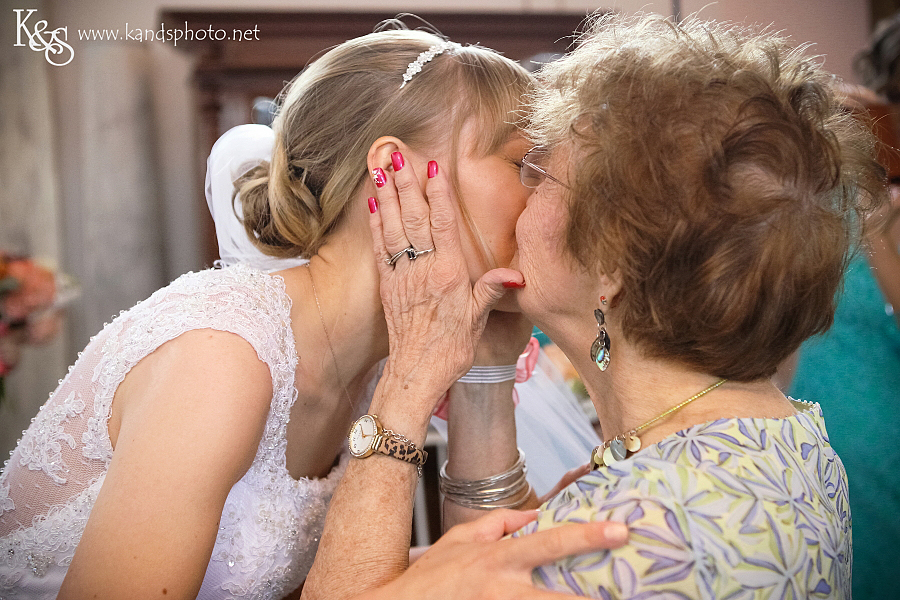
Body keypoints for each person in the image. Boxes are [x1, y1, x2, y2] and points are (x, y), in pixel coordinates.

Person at [0, 26, 620, 599]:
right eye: (524, 165)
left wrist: (486, 364)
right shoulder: (221, 356)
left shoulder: (390, 351)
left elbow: (490, 562)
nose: (550, 197)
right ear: (392, 170)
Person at [302, 13, 886, 600]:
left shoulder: (627, 537)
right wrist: (486, 368)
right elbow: (496, 552)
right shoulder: (775, 428)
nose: (522, 197)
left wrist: (408, 382)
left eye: (541, 175)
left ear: (611, 262)